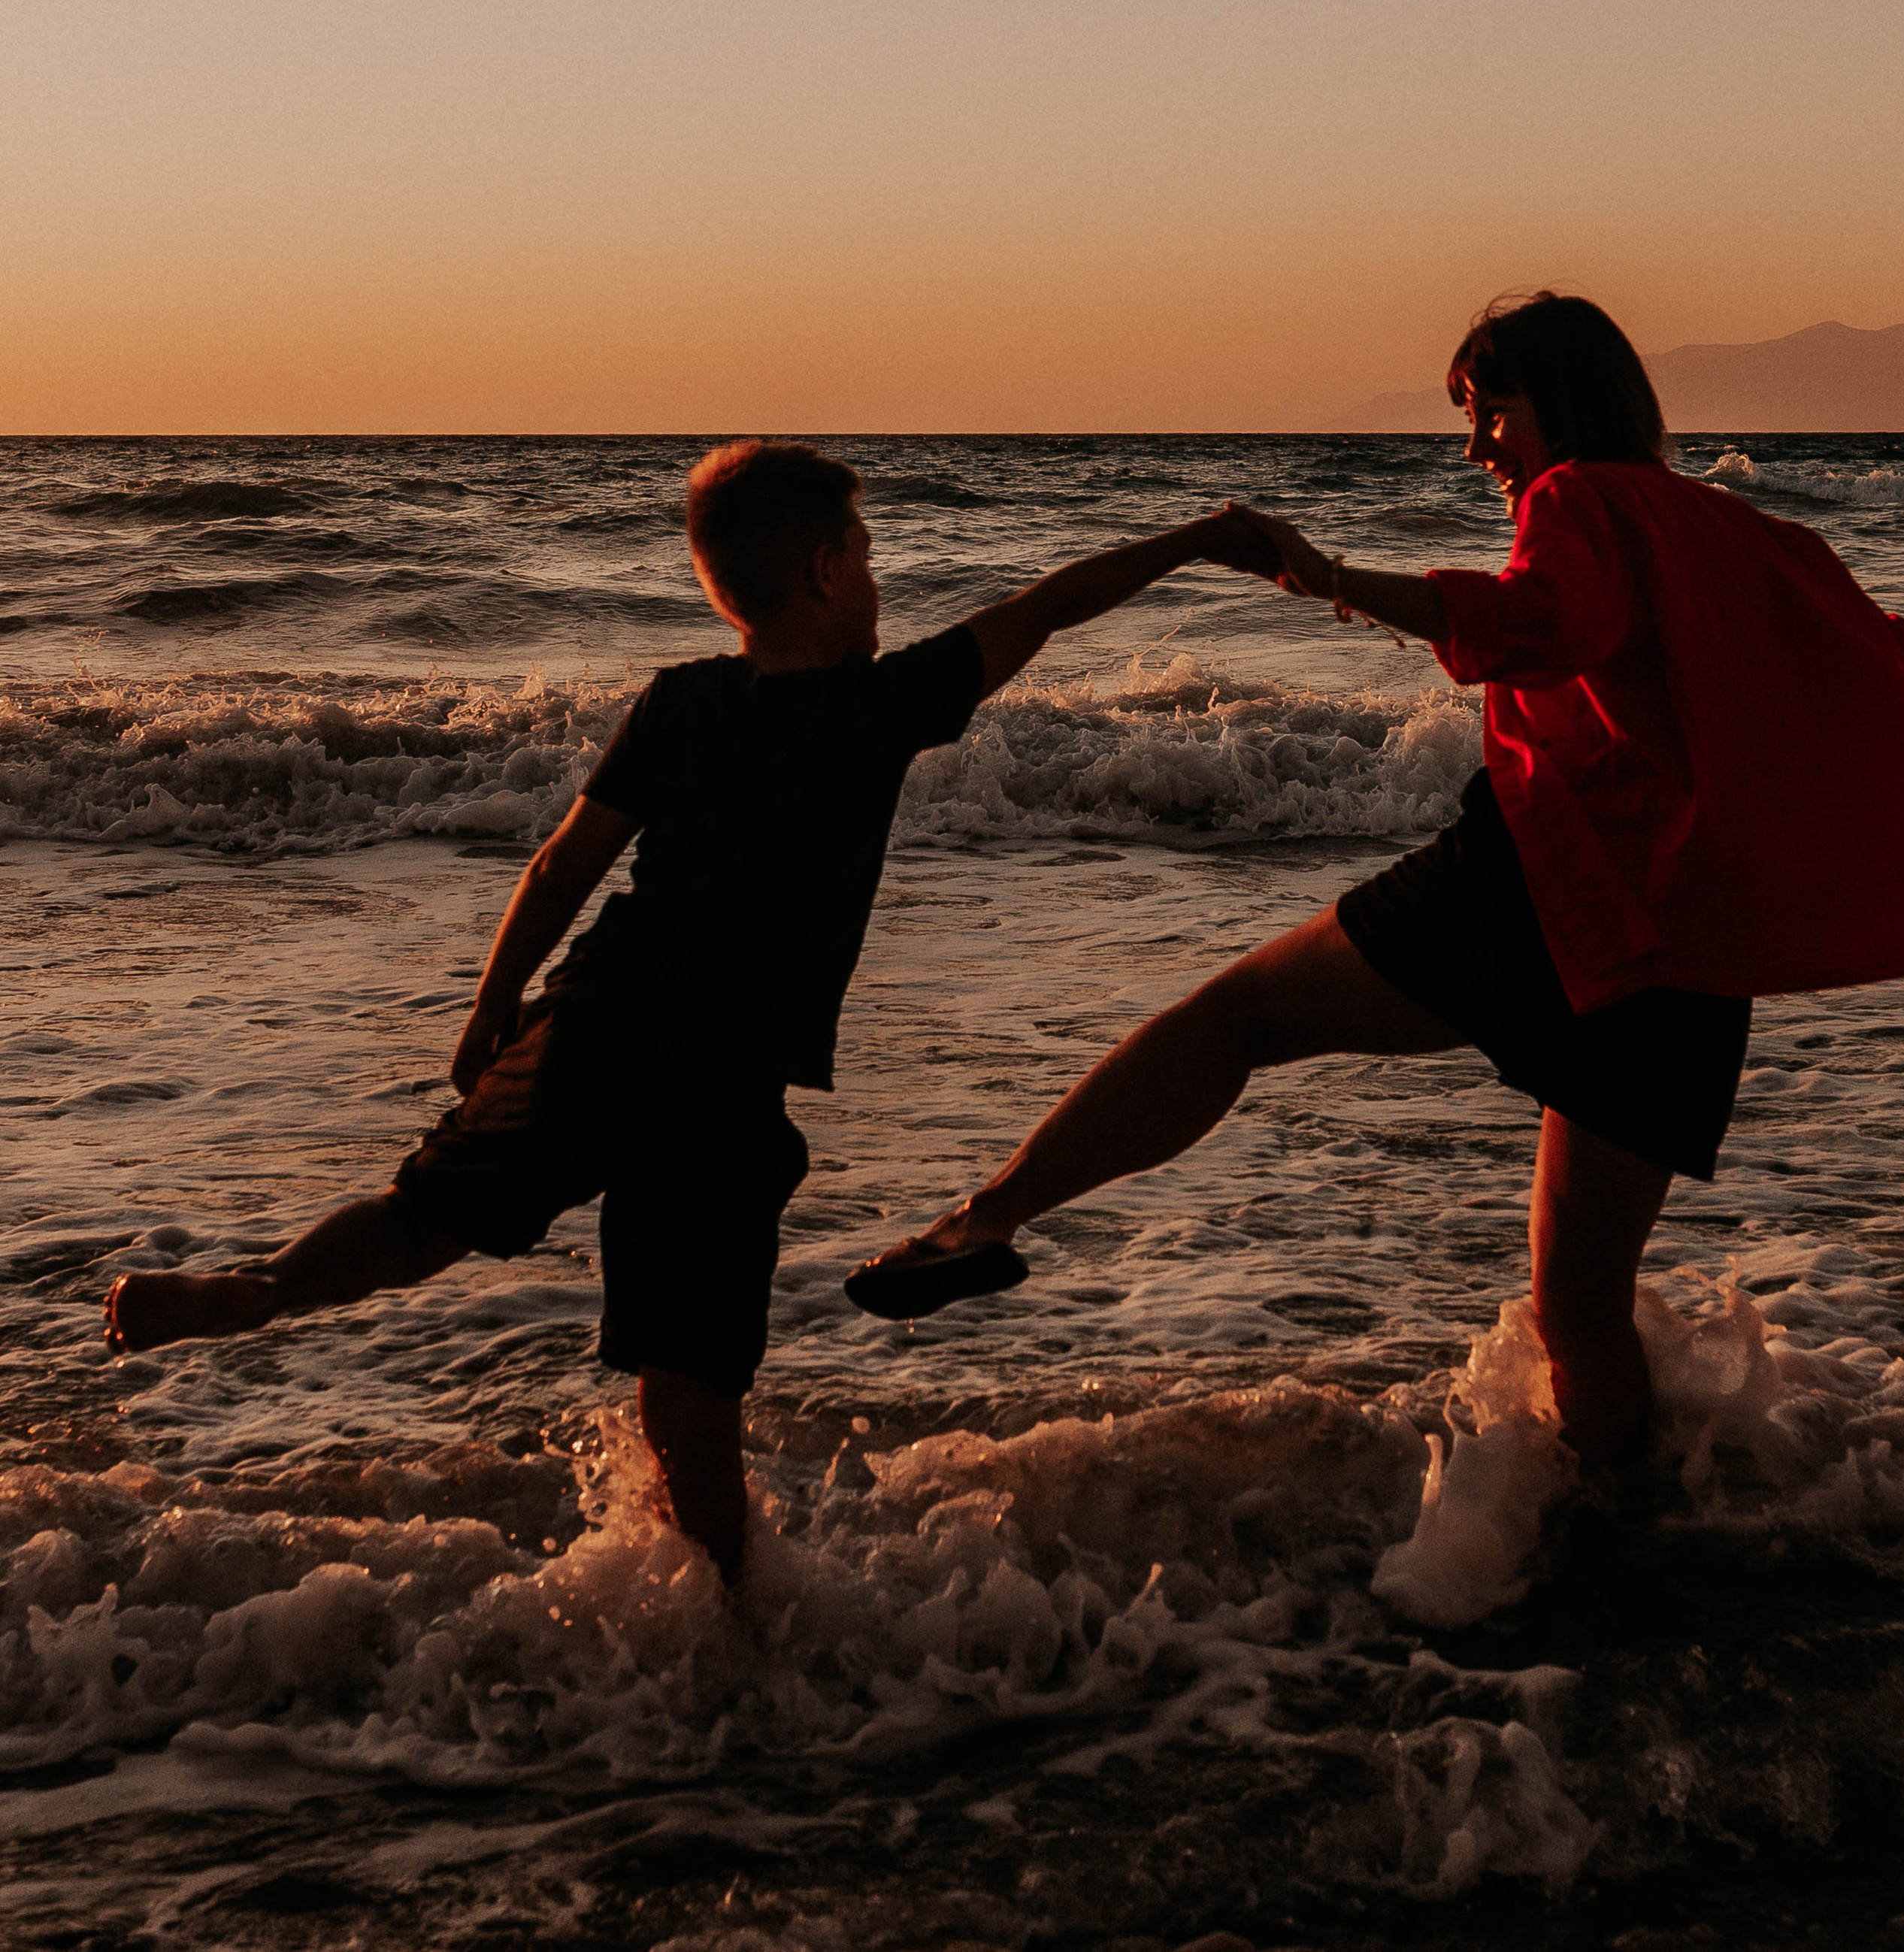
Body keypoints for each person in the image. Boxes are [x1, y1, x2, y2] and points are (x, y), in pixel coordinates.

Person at [104, 440, 1260, 1580]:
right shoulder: (881, 704)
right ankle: (727, 1612)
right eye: (865, 557)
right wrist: (1203, 537)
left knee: (416, 1224)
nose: (876, 581)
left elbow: (562, 865)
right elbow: (1052, 603)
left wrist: (490, 1009)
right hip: (720, 1081)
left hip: (592, 1023)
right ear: (820, 570)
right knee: (689, 1376)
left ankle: (251, 1290)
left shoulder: (682, 702)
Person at [849, 295, 1904, 1475]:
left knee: (1239, 1017)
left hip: (1548, 887)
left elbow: (1540, 620)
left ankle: (987, 1214)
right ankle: (1630, 1536)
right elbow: (1883, 659)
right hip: (1685, 953)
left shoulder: (1583, 497)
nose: (1479, 451)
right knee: (1580, 1309)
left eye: (1491, 411)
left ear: (1563, 401)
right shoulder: (1747, 533)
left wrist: (1334, 579)